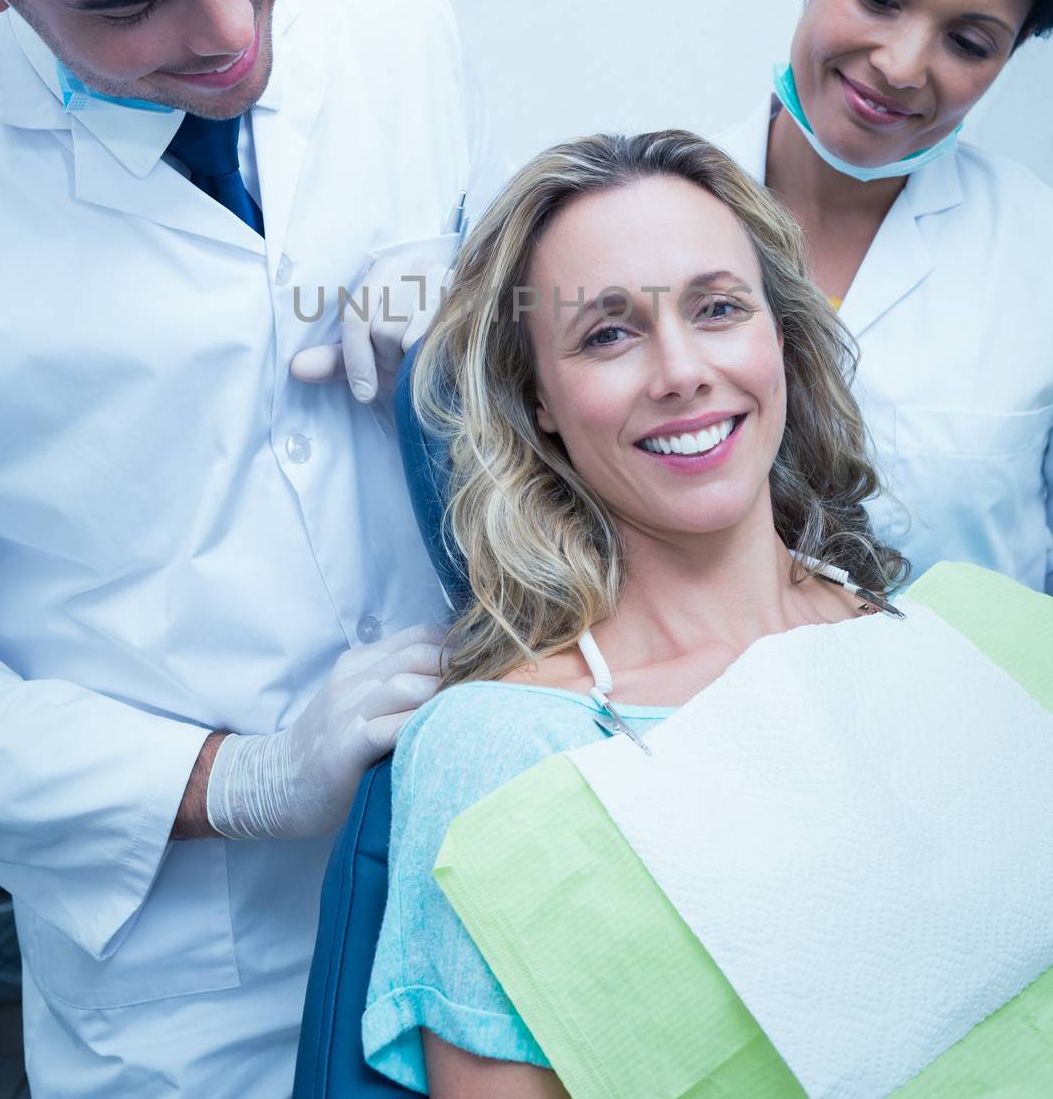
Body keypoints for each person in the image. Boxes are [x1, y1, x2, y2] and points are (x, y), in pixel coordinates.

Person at [0, 0, 501, 1096]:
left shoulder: (396, 24)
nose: (226, 33)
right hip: (180, 984)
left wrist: (484, 308)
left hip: (472, 882)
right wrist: (238, 782)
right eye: (131, 5)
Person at [359, 131, 1053, 1098]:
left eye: (718, 308)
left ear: (780, 335)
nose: (681, 371)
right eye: (606, 333)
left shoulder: (979, 639)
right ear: (538, 400)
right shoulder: (504, 751)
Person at [716, 0, 1053, 590]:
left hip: (978, 712)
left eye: (968, 43)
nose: (901, 67)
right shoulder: (632, 220)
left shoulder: (1036, 255)